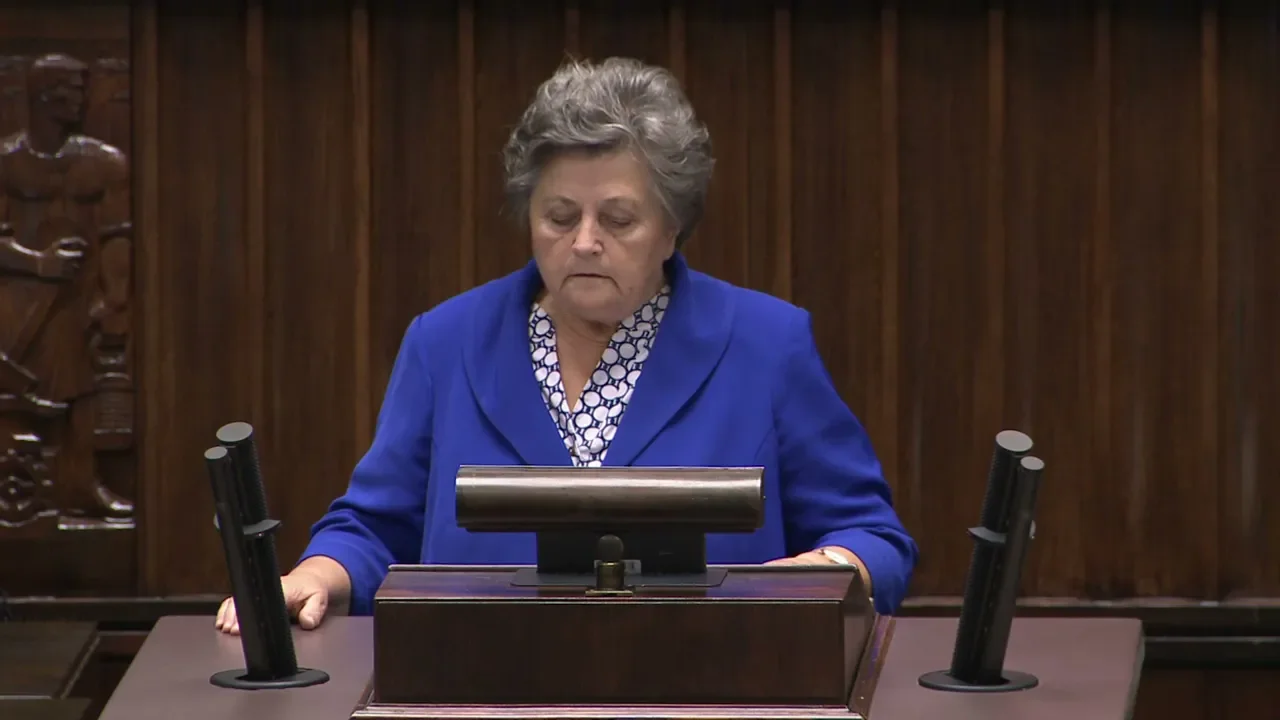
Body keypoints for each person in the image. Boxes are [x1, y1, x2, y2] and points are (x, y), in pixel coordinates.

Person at [216, 57, 917, 635]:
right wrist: (315, 575)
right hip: (477, 685)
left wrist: (823, 572)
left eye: (618, 219)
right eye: (559, 216)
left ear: (673, 227)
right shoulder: (446, 342)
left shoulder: (767, 344)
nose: (584, 242)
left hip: (711, 684)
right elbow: (375, 528)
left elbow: (873, 540)